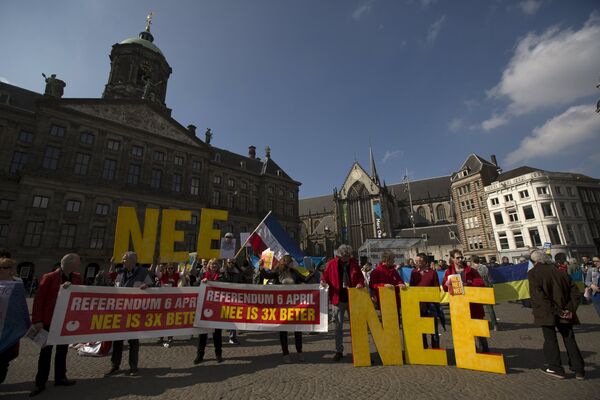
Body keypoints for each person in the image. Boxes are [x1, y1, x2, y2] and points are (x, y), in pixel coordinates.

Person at [528, 249, 585, 380]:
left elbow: (539, 296)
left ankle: (556, 368)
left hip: (547, 312)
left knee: (550, 339)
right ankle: (579, 369)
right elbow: (575, 293)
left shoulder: (533, 273)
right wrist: (569, 310)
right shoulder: (560, 271)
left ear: (535, 261)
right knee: (569, 339)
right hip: (566, 311)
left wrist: (558, 311)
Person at [30, 253, 81, 396]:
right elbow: (39, 299)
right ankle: (40, 382)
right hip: (48, 320)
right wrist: (37, 320)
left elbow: (81, 295)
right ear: (69, 262)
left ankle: (60, 377)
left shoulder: (76, 277)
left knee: (62, 350)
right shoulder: (50, 277)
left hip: (65, 320)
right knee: (45, 352)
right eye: (78, 261)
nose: (79, 263)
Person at [105, 252, 153, 377]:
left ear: (132, 261)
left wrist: (146, 286)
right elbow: (114, 287)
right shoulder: (120, 273)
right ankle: (115, 365)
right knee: (117, 340)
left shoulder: (142, 272)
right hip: (120, 312)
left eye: (124, 259)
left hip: (134, 312)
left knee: (133, 341)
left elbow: (152, 285)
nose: (122, 260)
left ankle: (133, 366)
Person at [259, 254, 315, 363]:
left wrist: (312, 273)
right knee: (283, 331)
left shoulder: (294, 272)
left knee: (297, 330)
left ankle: (300, 352)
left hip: (294, 306)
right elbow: (267, 276)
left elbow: (305, 279)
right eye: (292, 262)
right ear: (287, 262)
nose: (293, 263)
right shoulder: (278, 272)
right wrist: (261, 268)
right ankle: (285, 354)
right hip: (282, 306)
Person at [320, 244, 365, 361]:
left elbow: (361, 277)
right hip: (338, 299)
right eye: (344, 256)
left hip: (352, 298)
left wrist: (360, 283)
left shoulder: (354, 263)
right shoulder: (331, 264)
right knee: (338, 327)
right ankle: (338, 350)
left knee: (355, 326)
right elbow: (324, 276)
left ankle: (358, 350)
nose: (346, 259)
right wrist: (323, 282)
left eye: (348, 256)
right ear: (339, 255)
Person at [443, 249, 489, 353]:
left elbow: (480, 283)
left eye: (461, 257)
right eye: (457, 257)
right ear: (452, 259)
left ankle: (485, 351)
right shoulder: (448, 272)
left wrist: (468, 285)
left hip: (473, 305)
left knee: (479, 330)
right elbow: (445, 288)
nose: (460, 259)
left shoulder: (470, 270)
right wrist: (446, 285)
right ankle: (471, 350)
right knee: (464, 330)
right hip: (459, 307)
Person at [0, 258, 26, 384]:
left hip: (9, 328)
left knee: (4, 360)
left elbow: (22, 306)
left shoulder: (17, 285)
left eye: (2, 268)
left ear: (10, 270)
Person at [195, 259, 223, 364]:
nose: (213, 265)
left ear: (218, 266)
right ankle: (200, 354)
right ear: (209, 265)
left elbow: (226, 285)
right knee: (202, 333)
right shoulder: (203, 274)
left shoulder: (221, 276)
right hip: (204, 306)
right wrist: (201, 282)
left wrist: (214, 283)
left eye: (215, 264)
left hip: (217, 307)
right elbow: (195, 283)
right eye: (212, 264)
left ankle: (218, 354)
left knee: (217, 333)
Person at [409, 253, 440, 348]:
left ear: (425, 262)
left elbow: (437, 288)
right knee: (421, 328)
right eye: (416, 261)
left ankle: (435, 349)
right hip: (418, 305)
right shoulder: (414, 272)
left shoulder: (432, 273)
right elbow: (412, 288)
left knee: (433, 329)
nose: (417, 263)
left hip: (431, 305)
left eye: (420, 261)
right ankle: (424, 348)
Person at [471, 256, 498, 331]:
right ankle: (495, 325)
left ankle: (481, 325)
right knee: (490, 308)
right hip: (486, 287)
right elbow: (489, 278)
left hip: (477, 289)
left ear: (472, 261)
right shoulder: (485, 267)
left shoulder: (472, 269)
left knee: (478, 308)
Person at [220, 258, 242, 345]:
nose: (231, 264)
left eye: (232, 262)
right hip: (223, 298)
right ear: (226, 262)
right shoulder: (222, 271)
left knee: (233, 317)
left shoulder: (237, 273)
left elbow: (241, 282)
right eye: (229, 262)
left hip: (233, 298)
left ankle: (232, 337)